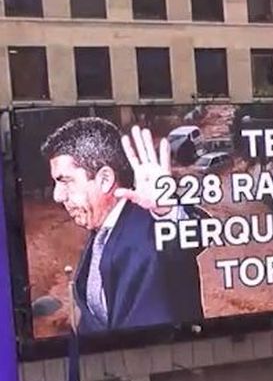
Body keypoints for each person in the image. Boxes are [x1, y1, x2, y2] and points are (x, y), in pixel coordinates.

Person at [42, 118, 204, 333]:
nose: (57, 195)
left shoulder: (151, 228)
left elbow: (194, 237)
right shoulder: (101, 229)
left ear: (105, 179)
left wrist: (166, 211)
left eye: (65, 181)